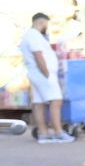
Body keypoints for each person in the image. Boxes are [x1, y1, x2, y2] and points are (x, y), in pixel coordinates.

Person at [19, 12, 71, 143]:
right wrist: (46, 73)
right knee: (56, 101)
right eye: (46, 25)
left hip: (38, 73)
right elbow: (38, 55)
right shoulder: (34, 36)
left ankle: (44, 133)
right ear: (41, 23)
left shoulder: (30, 36)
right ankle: (58, 131)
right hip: (42, 73)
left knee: (39, 103)